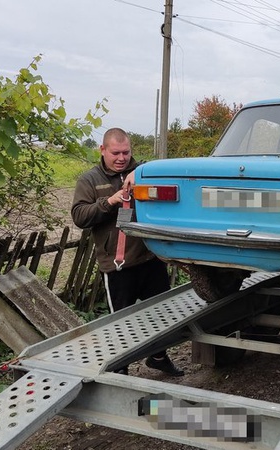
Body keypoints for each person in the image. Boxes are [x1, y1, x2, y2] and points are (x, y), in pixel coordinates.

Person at [71, 127, 184, 376]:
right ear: (102, 150)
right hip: (118, 266)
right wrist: (110, 201)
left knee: (162, 315)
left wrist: (137, 172)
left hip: (151, 258)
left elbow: (166, 168)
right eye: (116, 153)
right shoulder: (89, 180)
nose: (121, 158)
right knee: (120, 324)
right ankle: (120, 370)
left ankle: (158, 357)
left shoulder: (143, 171)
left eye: (126, 152)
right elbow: (79, 216)